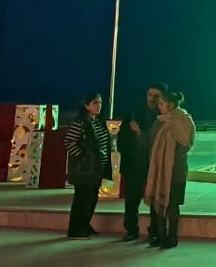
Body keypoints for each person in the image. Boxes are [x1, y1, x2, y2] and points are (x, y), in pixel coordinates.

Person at [144, 90, 195, 250]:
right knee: (158, 204)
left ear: (171, 105)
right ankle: (160, 235)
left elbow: (186, 144)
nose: (159, 106)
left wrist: (170, 160)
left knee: (173, 204)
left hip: (176, 171)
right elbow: (151, 142)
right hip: (158, 170)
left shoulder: (183, 120)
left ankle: (172, 237)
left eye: (162, 103)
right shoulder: (159, 121)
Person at [115, 82, 166, 242]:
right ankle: (131, 229)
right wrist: (127, 153)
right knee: (132, 198)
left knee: (155, 199)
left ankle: (155, 231)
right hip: (135, 161)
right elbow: (122, 136)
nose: (152, 98)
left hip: (155, 163)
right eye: (150, 95)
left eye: (156, 96)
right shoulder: (134, 111)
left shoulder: (164, 113)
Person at [64, 92, 113, 239]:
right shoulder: (79, 123)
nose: (98, 106)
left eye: (100, 103)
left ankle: (84, 224)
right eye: (95, 103)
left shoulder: (98, 122)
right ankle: (75, 229)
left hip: (97, 168)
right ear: (86, 106)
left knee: (92, 199)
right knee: (82, 199)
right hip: (84, 170)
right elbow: (69, 142)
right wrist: (83, 157)